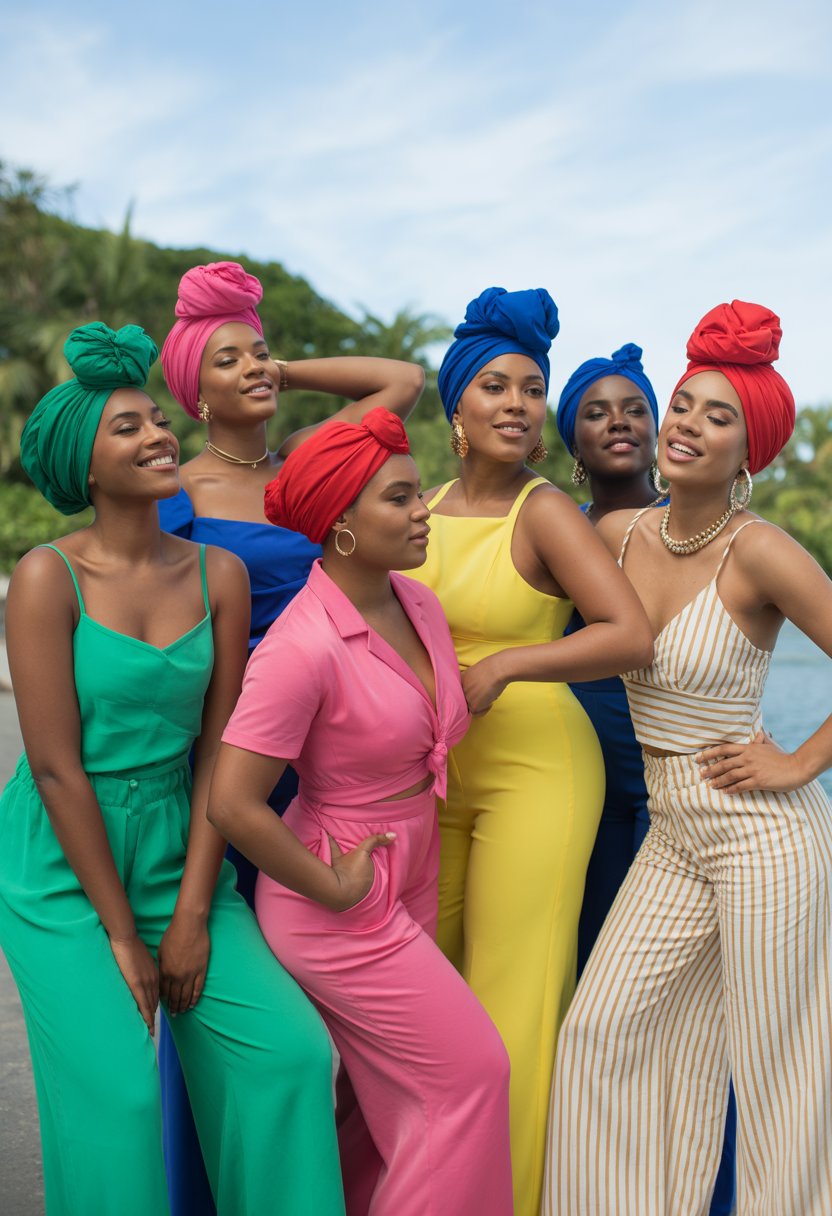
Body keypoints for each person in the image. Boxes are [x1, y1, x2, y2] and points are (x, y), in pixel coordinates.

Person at [0, 323, 345, 1216]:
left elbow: (221, 752)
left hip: (180, 836)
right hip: (60, 865)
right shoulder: (47, 577)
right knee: (118, 1100)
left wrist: (191, 912)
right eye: (128, 428)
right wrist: (124, 937)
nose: (158, 435)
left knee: (290, 1057)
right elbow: (54, 767)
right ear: (83, 463)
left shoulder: (219, 573)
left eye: (157, 419)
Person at [545, 301, 832, 1215]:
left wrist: (800, 763)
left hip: (764, 843)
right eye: (683, 405)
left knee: (776, 1069)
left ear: (751, 452)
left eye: (718, 418)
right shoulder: (614, 537)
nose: (685, 425)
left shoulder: (764, 554)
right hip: (671, 831)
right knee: (601, 1031)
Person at [157, 261, 424, 1212]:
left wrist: (274, 364)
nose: (257, 369)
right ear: (191, 387)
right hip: (246, 751)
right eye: (227, 363)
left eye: (261, 353)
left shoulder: (314, 463)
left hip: (342, 745)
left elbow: (403, 381)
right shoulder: (175, 488)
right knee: (235, 999)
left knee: (340, 999)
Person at [207, 408, 514, 1216]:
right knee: (474, 1074)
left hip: (412, 866)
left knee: (381, 1117)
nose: (424, 512)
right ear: (340, 524)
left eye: (418, 494)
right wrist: (334, 887)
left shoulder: (418, 603)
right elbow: (233, 803)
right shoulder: (300, 648)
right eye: (401, 499)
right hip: (339, 898)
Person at [406, 287, 654, 1215]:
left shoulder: (547, 513)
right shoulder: (420, 507)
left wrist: (509, 663)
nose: (517, 402)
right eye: (497, 387)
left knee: (514, 1005)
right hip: (430, 781)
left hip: (538, 775)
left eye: (532, 388)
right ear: (458, 411)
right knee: (432, 995)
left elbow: (630, 634)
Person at [556, 344, 736, 1215]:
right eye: (596, 411)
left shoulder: (705, 527)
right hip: (588, 804)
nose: (620, 421)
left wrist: (791, 757)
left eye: (635, 406)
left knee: (705, 1022)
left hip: (695, 805)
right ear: (572, 446)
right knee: (601, 1009)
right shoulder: (556, 533)